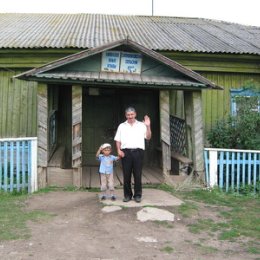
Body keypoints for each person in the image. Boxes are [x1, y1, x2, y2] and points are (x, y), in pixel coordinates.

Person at [114, 107, 151, 203]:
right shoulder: (121, 126)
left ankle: (138, 195)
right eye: (128, 115)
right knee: (126, 175)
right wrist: (118, 150)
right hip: (125, 152)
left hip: (138, 152)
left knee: (137, 175)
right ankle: (127, 195)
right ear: (126, 115)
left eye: (132, 114)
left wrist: (148, 126)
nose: (130, 116)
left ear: (135, 114)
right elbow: (118, 139)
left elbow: (148, 137)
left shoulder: (142, 125)